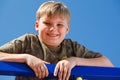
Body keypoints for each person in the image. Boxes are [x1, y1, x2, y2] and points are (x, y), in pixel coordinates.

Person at [0, 1, 113, 80]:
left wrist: (74, 61)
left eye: (59, 24)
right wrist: (26, 58)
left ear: (67, 29)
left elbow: (107, 64)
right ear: (37, 25)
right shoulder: (28, 41)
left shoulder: (72, 48)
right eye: (47, 23)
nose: (53, 28)